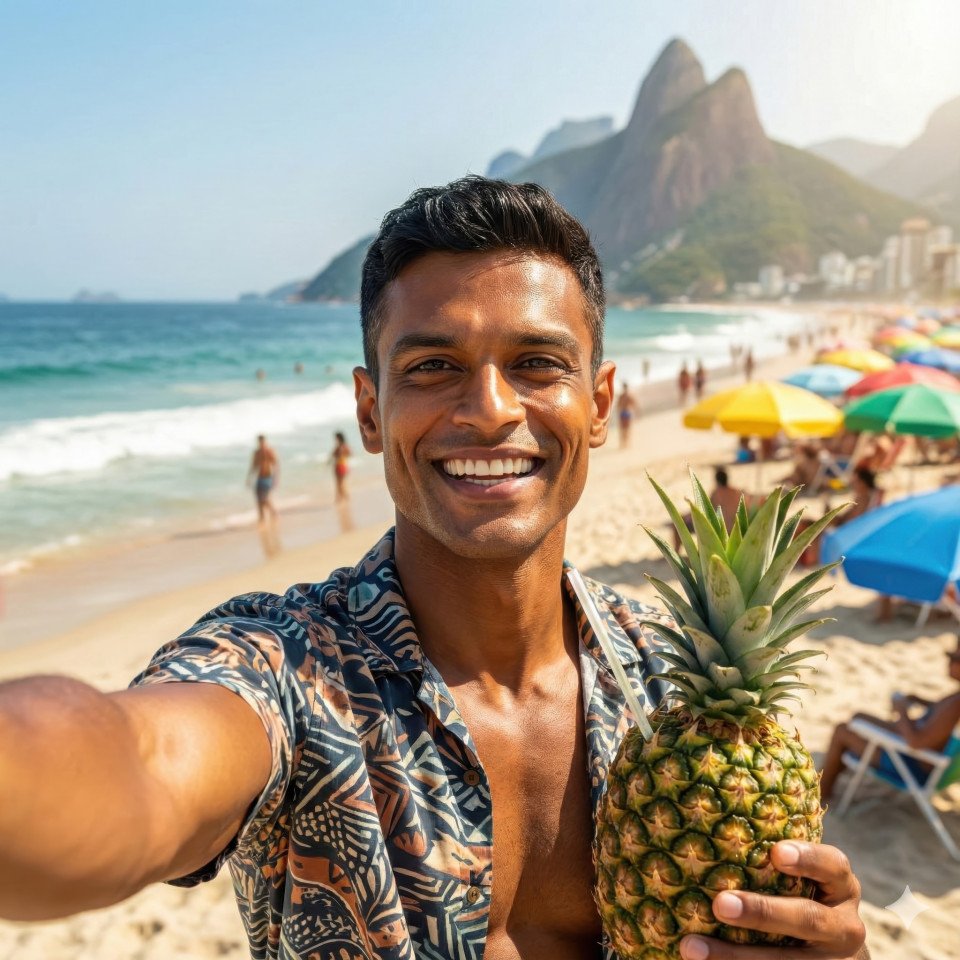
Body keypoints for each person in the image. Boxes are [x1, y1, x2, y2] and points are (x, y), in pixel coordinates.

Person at [0, 178, 868, 960]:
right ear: (371, 411)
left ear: (598, 405)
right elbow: (139, 759)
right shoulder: (292, 667)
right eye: (433, 367)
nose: (489, 411)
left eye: (536, 363)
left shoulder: (678, 694)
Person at [819, 635, 960, 803]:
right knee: (858, 717)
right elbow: (941, 719)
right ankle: (831, 775)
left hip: (912, 767)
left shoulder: (956, 704)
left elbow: (916, 742)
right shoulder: (955, 698)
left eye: (955, 658)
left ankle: (821, 792)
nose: (949, 663)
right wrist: (919, 700)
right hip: (922, 759)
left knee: (842, 730)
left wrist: (901, 711)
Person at [247, 433, 279, 524]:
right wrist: (249, 478)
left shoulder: (270, 451)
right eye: (260, 442)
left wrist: (276, 479)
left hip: (268, 478)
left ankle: (274, 514)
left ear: (265, 441)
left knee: (265, 499)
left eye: (262, 442)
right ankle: (262, 519)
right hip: (259, 478)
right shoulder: (256, 453)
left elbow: (276, 465)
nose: (261, 444)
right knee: (258, 501)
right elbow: (253, 466)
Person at [615, 381, 638, 449]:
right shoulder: (629, 395)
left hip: (623, 413)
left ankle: (623, 444)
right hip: (627, 412)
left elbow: (618, 405)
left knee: (623, 429)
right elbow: (634, 404)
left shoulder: (621, 396)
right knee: (627, 429)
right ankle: (626, 444)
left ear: (623, 387)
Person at [330, 430, 351, 501]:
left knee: (339, 484)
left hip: (340, 466)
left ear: (338, 438)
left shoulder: (340, 447)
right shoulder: (344, 446)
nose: (335, 439)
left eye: (336, 438)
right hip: (343, 465)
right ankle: (341, 498)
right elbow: (350, 454)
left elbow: (332, 455)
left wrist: (340, 455)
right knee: (340, 483)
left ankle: (343, 498)